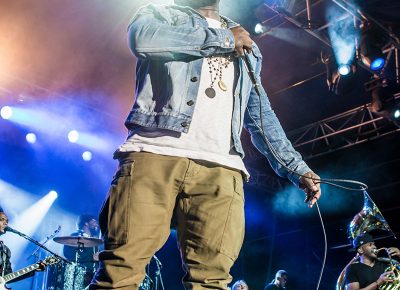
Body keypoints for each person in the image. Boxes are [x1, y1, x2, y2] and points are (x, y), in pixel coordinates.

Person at [90, 0, 321, 289]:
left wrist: (296, 168)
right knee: (119, 274)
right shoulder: (161, 14)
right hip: (154, 154)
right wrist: (224, 39)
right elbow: (143, 39)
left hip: (223, 170)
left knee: (211, 282)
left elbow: (260, 114)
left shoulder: (247, 45)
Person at [0, 208, 45, 285]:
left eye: (7, 221)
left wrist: (33, 270)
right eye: (2, 219)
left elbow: (6, 277)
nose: (6, 223)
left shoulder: (5, 251)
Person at [63, 214, 100, 287]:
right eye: (94, 221)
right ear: (86, 223)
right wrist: (92, 257)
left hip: (95, 275)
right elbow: (68, 254)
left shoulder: (94, 240)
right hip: (81, 275)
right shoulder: (76, 236)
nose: (97, 224)